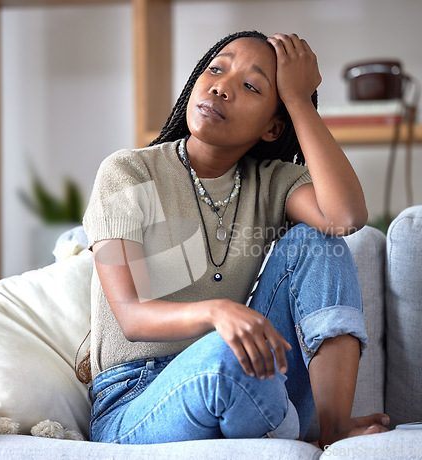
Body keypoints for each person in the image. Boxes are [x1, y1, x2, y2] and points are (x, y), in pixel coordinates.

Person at [80, 30, 390, 449]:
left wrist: (299, 100)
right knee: (226, 356)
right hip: (135, 401)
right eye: (215, 69)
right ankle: (280, 431)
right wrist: (219, 313)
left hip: (248, 379)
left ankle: (332, 429)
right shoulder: (128, 173)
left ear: (272, 127)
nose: (221, 87)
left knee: (318, 241)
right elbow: (132, 317)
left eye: (249, 86)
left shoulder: (271, 183)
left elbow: (345, 217)